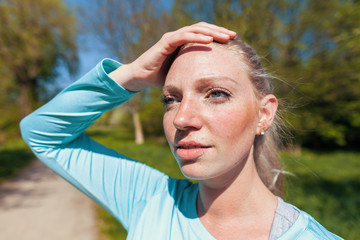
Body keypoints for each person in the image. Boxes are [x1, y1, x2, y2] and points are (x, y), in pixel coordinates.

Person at [20, 22, 342, 239]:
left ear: (264, 114)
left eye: (216, 93)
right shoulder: (149, 199)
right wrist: (132, 74)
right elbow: (42, 134)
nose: (181, 118)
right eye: (171, 99)